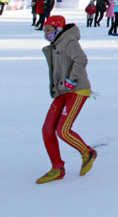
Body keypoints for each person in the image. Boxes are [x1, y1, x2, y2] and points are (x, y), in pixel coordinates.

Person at [36, 15, 97, 184]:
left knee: (63, 130)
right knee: (47, 129)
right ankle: (57, 167)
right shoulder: (55, 44)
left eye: (48, 30)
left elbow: (81, 59)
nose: (46, 34)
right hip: (61, 92)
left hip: (77, 90)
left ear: (58, 29)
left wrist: (72, 79)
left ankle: (87, 152)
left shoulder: (69, 40)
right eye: (44, 31)